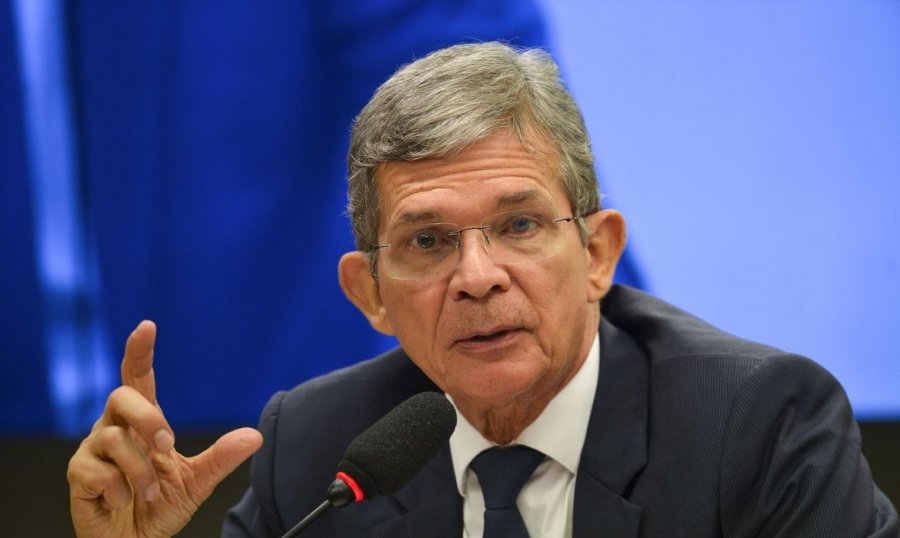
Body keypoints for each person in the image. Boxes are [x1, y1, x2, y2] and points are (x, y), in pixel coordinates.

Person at [67, 42, 897, 537]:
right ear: (370, 294)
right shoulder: (319, 453)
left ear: (598, 254)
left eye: (520, 224)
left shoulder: (756, 427)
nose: (476, 277)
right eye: (428, 241)